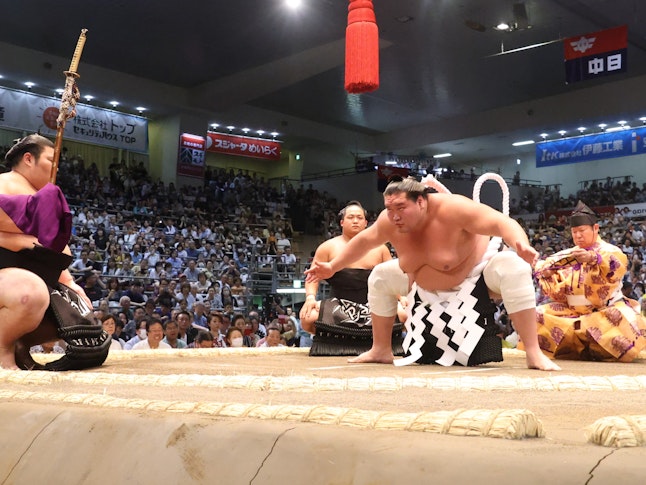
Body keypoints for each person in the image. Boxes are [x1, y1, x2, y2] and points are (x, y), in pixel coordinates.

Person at [305, 176, 560, 371]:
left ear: (421, 202)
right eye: (389, 209)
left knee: (513, 266)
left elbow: (502, 223)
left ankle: (534, 352)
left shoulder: (454, 209)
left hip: (475, 275)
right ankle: (380, 348)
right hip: (422, 285)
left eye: (401, 208)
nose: (393, 216)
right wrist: (333, 266)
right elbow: (364, 241)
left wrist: (519, 243)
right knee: (381, 275)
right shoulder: (389, 221)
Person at [0, 134, 109, 369]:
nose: (55, 168)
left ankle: (19, 343)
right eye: (51, 160)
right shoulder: (3, 183)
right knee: (31, 292)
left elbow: (53, 253)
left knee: (76, 309)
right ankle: (2, 349)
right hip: (8, 277)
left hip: (32, 277)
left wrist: (71, 282)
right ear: (29, 159)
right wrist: (14, 241)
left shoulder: (46, 197)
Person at [533, 201, 646, 362]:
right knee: (537, 314)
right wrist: (548, 274)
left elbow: (617, 263)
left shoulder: (609, 251)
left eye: (582, 231)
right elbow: (548, 276)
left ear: (595, 228)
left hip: (602, 310)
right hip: (572, 311)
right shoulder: (567, 255)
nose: (578, 235)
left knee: (619, 315)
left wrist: (594, 258)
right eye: (574, 232)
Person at [299, 200, 399, 356]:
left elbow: (394, 276)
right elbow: (313, 277)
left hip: (373, 304)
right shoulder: (327, 247)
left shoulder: (380, 248)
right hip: (337, 305)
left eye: (359, 218)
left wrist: (401, 297)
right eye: (351, 217)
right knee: (307, 318)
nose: (355, 221)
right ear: (342, 222)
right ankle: (338, 340)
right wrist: (310, 298)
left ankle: (379, 344)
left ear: (366, 223)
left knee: (407, 313)